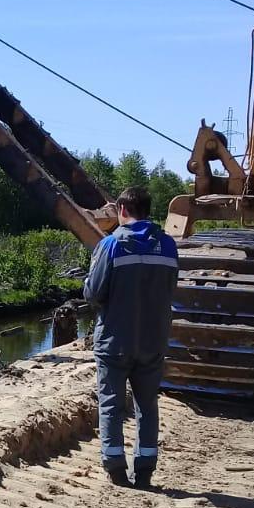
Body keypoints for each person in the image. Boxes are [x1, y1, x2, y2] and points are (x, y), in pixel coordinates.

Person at [83, 185, 178, 489]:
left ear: (122, 211)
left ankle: (116, 469)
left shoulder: (111, 246)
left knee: (111, 404)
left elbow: (94, 293)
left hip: (114, 342)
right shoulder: (168, 246)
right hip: (153, 341)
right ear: (148, 211)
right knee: (147, 406)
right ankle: (146, 470)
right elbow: (169, 289)